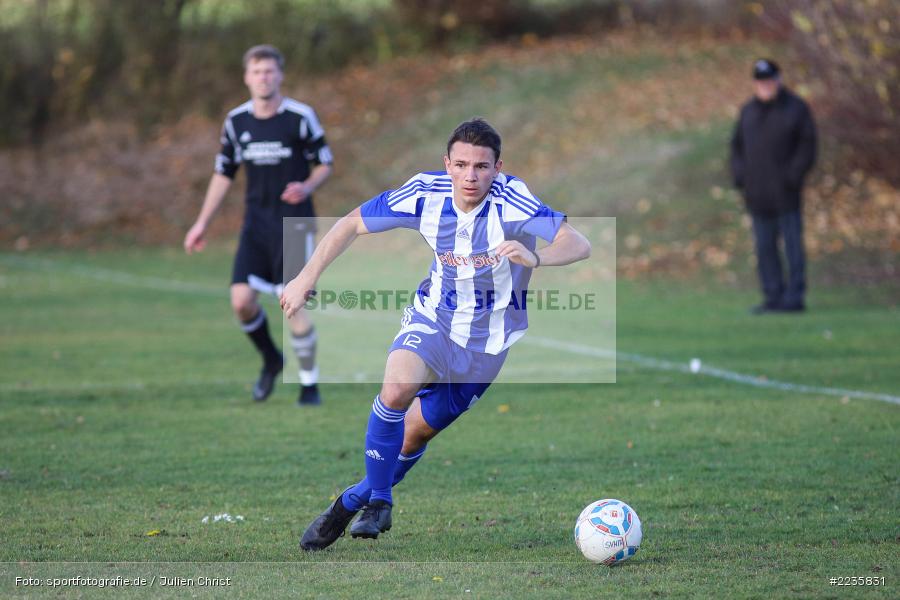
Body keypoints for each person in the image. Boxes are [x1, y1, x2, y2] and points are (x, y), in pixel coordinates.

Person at [280, 118, 592, 550]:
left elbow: (578, 243)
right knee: (396, 389)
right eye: (461, 165)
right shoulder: (425, 193)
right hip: (434, 319)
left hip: (485, 347)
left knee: (412, 436)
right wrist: (305, 277)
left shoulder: (513, 200)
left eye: (481, 166)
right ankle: (381, 501)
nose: (470, 176)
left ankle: (348, 503)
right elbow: (350, 223)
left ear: (498, 167)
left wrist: (536, 257)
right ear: (447, 164)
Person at [184, 45, 333, 404]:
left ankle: (309, 384)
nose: (263, 77)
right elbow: (223, 173)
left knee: (292, 304)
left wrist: (307, 186)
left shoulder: (300, 117)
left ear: (280, 75)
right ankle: (271, 359)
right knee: (241, 302)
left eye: (269, 71)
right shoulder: (236, 121)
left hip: (294, 224)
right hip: (255, 224)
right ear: (246, 78)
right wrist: (201, 223)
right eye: (256, 72)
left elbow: (325, 163)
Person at [730, 58, 817, 314]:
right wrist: (740, 177)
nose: (765, 86)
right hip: (757, 194)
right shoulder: (748, 111)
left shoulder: (796, 109)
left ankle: (794, 297)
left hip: (786, 193)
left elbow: (808, 145)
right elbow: (736, 147)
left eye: (769, 81)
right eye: (760, 82)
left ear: (778, 80)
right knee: (764, 248)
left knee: (792, 247)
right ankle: (772, 295)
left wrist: (793, 177)